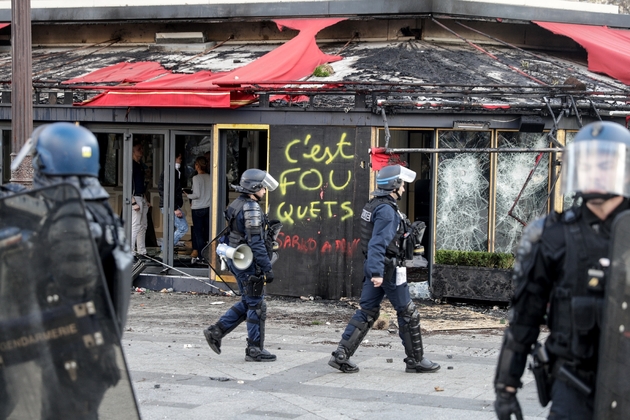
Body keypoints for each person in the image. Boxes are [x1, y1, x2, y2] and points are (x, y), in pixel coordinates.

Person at [493, 121, 630, 420]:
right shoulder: (550, 234)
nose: (596, 174)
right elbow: (525, 315)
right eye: (588, 165)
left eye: (605, 165)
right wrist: (506, 386)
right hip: (572, 383)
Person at [0, 122, 135, 419]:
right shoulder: (90, 207)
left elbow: (71, 300)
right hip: (89, 350)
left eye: (37, 160)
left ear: (48, 162)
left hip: (73, 355)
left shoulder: (72, 218)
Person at [328, 164, 440, 374]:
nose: (404, 189)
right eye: (402, 185)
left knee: (367, 311)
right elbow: (377, 244)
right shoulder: (387, 211)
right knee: (408, 313)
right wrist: (378, 274)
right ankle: (416, 360)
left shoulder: (374, 205)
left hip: (376, 266)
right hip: (387, 269)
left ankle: (341, 354)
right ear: (394, 186)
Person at [203, 168, 279, 362]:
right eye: (262, 187)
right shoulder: (251, 208)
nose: (264, 190)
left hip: (237, 258)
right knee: (256, 304)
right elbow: (256, 242)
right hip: (246, 260)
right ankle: (254, 349)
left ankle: (216, 332)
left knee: (249, 301)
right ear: (254, 187)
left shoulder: (238, 203)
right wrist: (267, 268)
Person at [158, 153, 189, 256]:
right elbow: (168, 191)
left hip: (169, 205)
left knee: (170, 230)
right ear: (174, 158)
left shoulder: (171, 171)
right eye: (179, 158)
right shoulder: (171, 172)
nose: (180, 161)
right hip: (171, 206)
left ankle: (164, 251)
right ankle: (166, 250)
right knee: (183, 227)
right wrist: (175, 208)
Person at [185, 156, 211, 262]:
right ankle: (208, 253)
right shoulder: (210, 177)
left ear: (197, 165)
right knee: (207, 232)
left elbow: (196, 195)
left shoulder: (196, 178)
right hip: (208, 207)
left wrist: (187, 195)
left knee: (198, 233)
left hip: (198, 208)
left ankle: (201, 255)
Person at [131, 139, 150, 257]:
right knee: (136, 225)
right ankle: (130, 251)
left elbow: (141, 184)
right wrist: (133, 202)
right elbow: (129, 184)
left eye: (142, 149)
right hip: (135, 198)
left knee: (143, 225)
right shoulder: (131, 165)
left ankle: (142, 251)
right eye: (139, 149)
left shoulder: (139, 165)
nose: (141, 151)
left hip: (141, 197)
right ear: (133, 151)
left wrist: (146, 200)